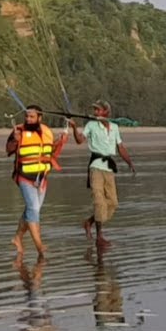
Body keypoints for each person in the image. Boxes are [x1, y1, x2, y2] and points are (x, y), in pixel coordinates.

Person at [69, 101, 135, 247]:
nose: (95, 112)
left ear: (106, 112)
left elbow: (120, 147)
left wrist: (130, 162)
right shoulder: (91, 125)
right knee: (99, 202)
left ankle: (89, 222)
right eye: (94, 110)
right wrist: (74, 128)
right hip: (96, 167)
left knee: (112, 203)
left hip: (109, 169)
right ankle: (99, 237)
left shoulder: (115, 127)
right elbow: (80, 140)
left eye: (98, 110)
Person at [6, 105, 68, 260]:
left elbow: (50, 151)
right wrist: (15, 139)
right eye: (27, 116)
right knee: (33, 209)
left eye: (32, 117)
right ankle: (39, 246)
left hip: (41, 178)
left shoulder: (47, 131)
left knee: (32, 211)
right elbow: (8, 149)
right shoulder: (19, 131)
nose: (28, 119)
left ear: (40, 118)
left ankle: (18, 238)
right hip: (24, 176)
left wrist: (60, 141)